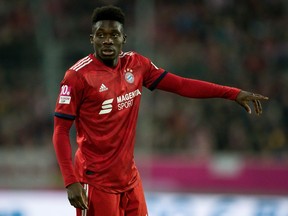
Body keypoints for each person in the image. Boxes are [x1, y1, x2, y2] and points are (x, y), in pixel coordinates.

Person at [52, 5, 268, 216]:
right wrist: (70, 181)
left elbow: (182, 85)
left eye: (114, 34)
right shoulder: (77, 77)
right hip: (95, 182)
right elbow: (61, 131)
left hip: (129, 180)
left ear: (123, 39)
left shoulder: (137, 64)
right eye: (100, 34)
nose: (107, 40)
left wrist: (232, 93)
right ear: (92, 39)